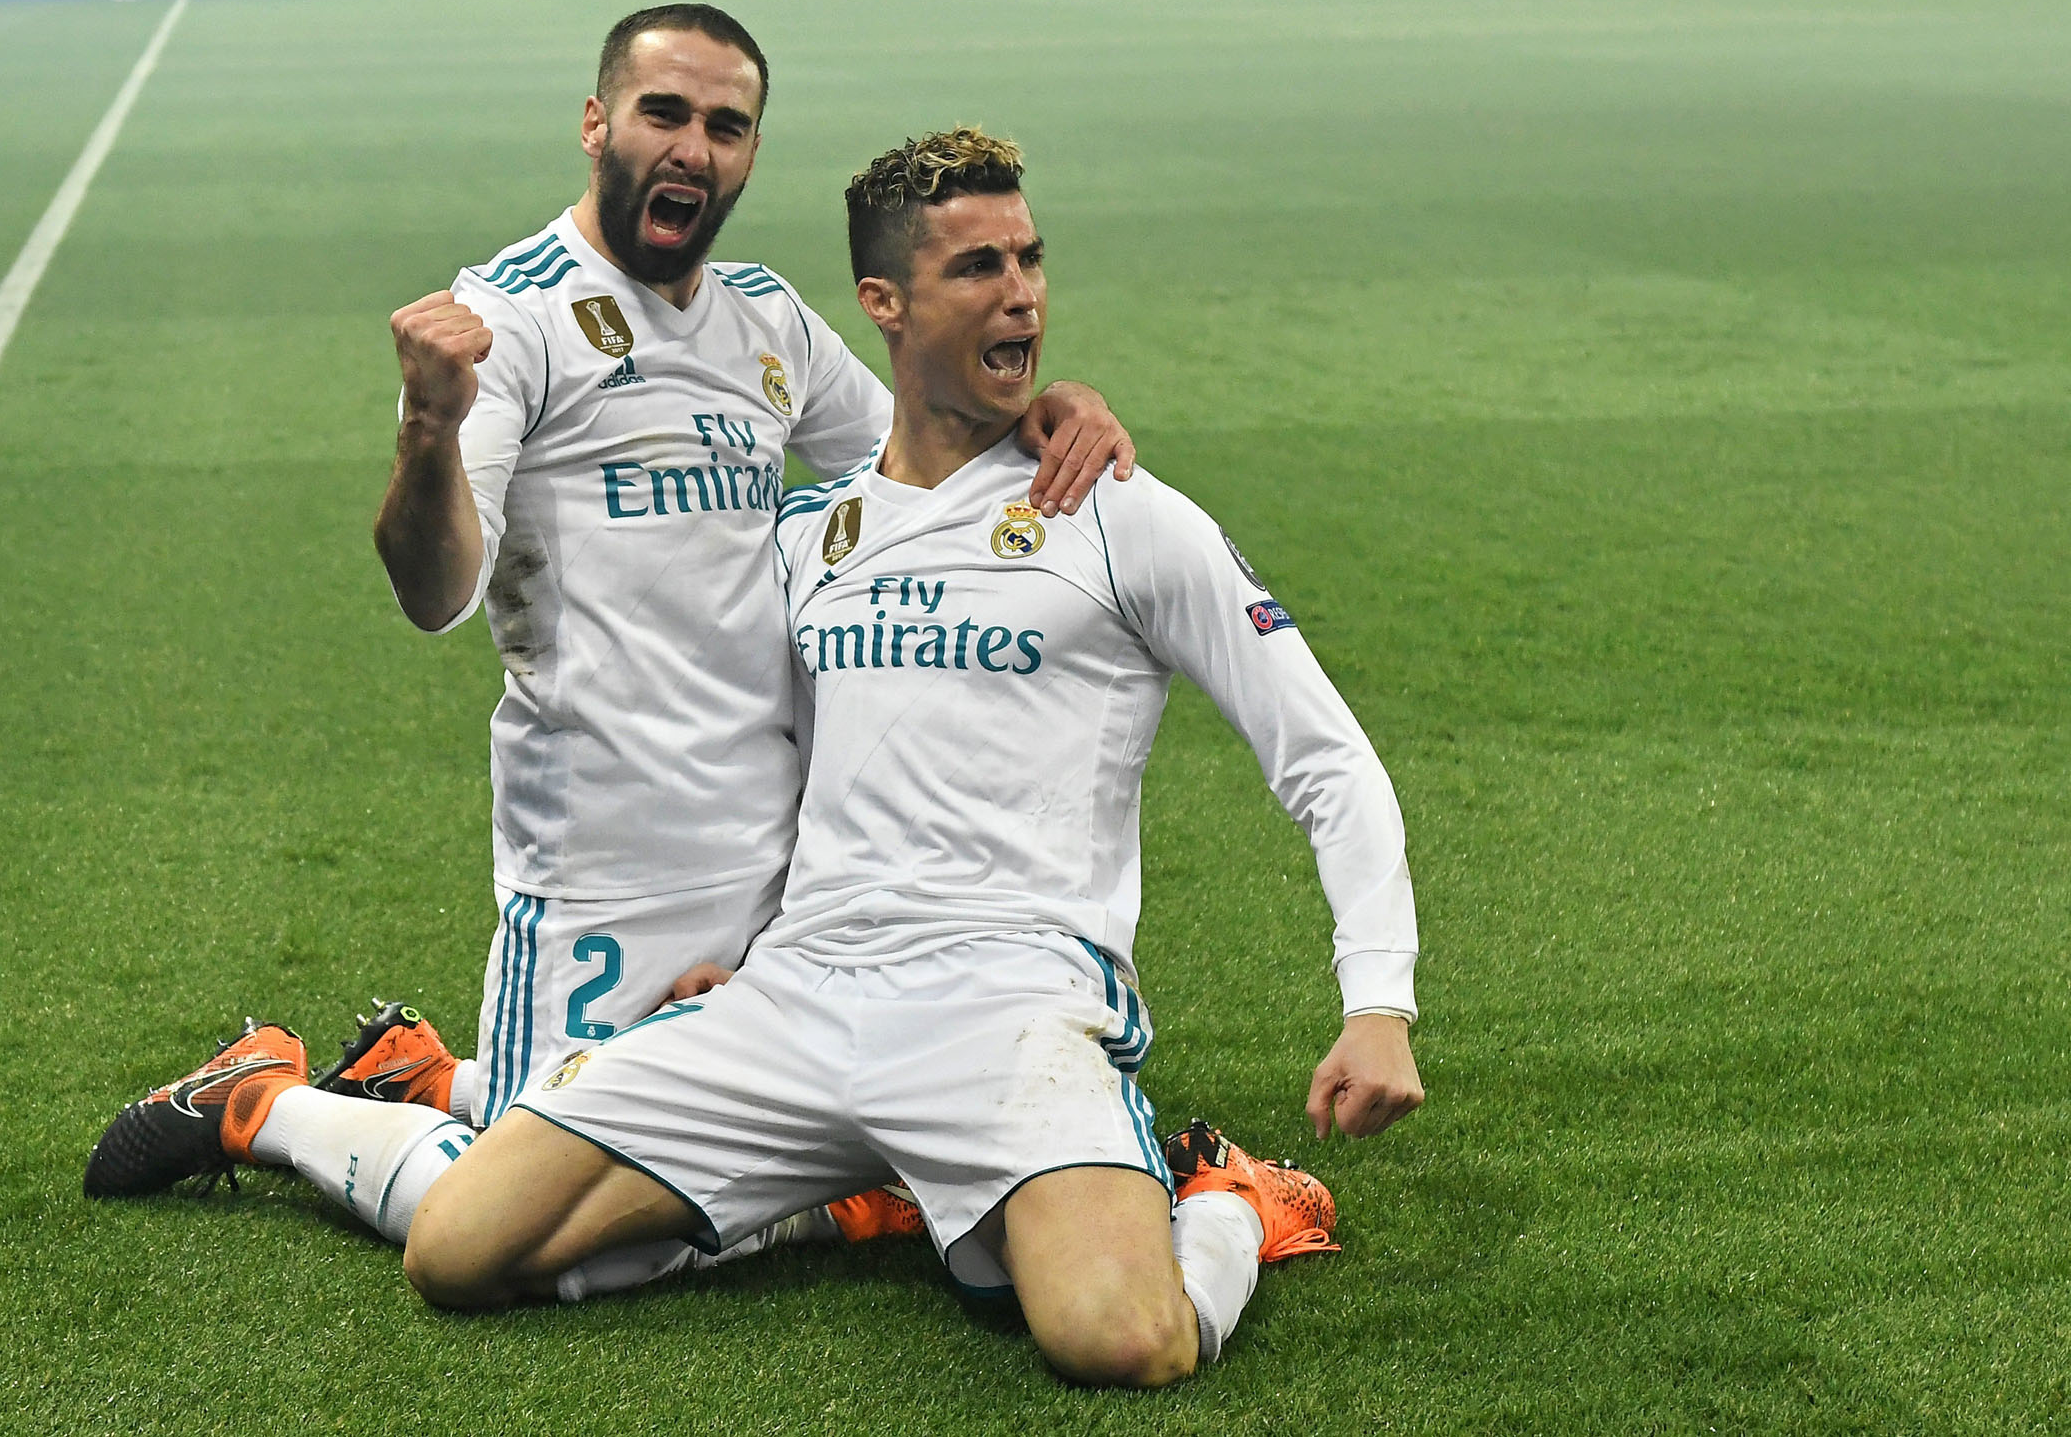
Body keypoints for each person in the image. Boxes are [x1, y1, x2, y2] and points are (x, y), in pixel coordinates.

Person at [82, 9, 1131, 1262]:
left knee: (753, 1164)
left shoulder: (767, 321)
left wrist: (1043, 401)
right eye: (664, 114)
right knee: (581, 1246)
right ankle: (265, 1101)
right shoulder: (511, 318)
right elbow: (433, 588)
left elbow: (923, 460)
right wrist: (427, 424)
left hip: (781, 874)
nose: (694, 146)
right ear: (598, 124)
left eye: (725, 125)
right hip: (604, 871)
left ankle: (430, 1074)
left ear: (749, 153)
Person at [397, 127, 1424, 1386]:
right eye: (978, 267)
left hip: (1009, 1000)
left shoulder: (1117, 513)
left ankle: (1228, 1206)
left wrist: (1377, 1003)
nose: (1023, 294)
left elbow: (1323, 756)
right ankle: (889, 1183)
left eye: (1031, 260)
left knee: (1123, 1340)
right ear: (885, 304)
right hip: (798, 993)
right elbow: (797, 763)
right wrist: (748, 944)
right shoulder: (808, 535)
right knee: (459, 1248)